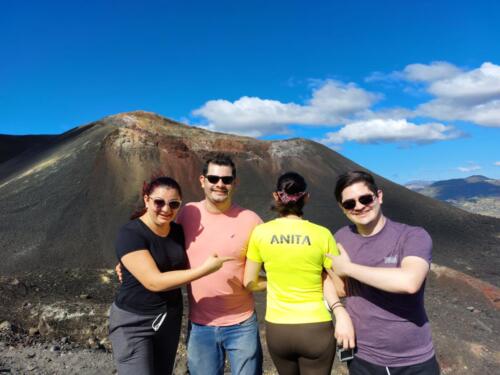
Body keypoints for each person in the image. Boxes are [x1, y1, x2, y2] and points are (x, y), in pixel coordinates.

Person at [109, 176, 233, 375]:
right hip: (133, 322)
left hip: (169, 319)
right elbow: (154, 282)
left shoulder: (177, 232)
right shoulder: (131, 234)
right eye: (159, 202)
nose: (166, 209)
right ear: (147, 200)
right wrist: (205, 270)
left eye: (173, 204)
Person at [328, 170, 440, 374]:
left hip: (413, 359)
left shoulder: (412, 236)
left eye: (365, 198)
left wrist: (349, 268)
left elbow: (409, 282)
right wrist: (339, 311)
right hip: (363, 357)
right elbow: (328, 281)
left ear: (379, 196)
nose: (359, 206)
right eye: (349, 203)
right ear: (342, 208)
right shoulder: (340, 238)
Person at [244, 171, 355, 375]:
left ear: (277, 196)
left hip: (278, 329)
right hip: (316, 329)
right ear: (306, 197)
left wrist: (276, 282)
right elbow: (340, 289)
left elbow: (249, 282)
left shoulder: (260, 233)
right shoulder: (322, 234)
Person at [176, 153, 263, 375]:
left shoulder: (251, 220)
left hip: (242, 324)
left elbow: (277, 258)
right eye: (213, 178)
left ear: (235, 183)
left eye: (226, 179)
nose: (220, 184)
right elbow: (162, 241)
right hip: (200, 325)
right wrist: (130, 263)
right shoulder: (187, 213)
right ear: (202, 180)